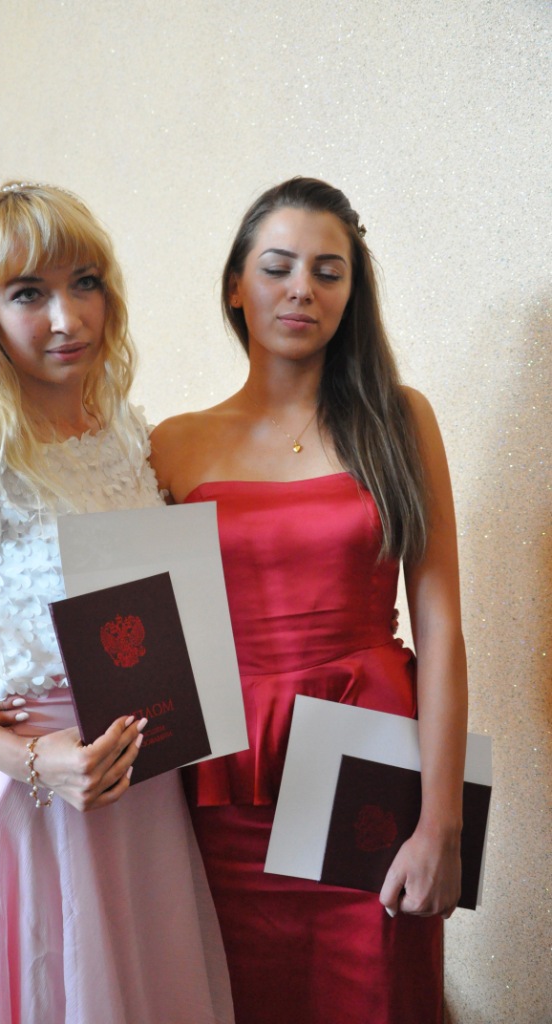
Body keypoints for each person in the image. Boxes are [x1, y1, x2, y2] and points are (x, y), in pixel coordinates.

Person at [0, 182, 233, 1024]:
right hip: (43, 792)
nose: (67, 318)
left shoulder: (123, 431)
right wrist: (35, 760)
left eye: (85, 283)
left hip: (146, 783)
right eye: (29, 293)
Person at [149, 177, 468, 1024]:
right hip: (228, 776)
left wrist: (441, 824)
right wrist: (11, 684)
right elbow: (138, 636)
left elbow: (440, 629)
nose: (302, 289)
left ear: (352, 295)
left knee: (374, 992)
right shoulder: (172, 444)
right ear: (236, 286)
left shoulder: (399, 420)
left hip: (371, 760)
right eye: (278, 267)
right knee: (240, 993)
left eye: (328, 272)